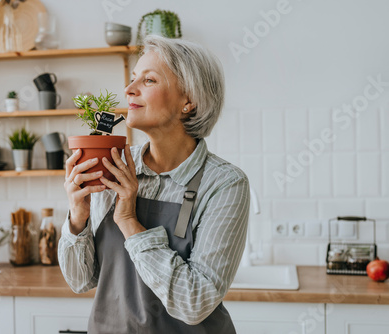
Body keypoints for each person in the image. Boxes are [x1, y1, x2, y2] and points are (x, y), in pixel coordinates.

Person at [58, 35, 250, 333]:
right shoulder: (115, 165)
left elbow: (195, 303)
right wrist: (77, 217)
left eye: (148, 80)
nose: (128, 89)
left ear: (189, 101)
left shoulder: (224, 183)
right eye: (134, 78)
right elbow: (80, 281)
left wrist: (128, 220)